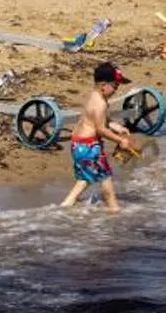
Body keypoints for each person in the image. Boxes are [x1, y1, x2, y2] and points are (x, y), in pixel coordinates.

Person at [58, 64, 139, 212]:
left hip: (78, 144)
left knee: (85, 178)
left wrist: (116, 126)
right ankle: (114, 208)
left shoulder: (94, 97)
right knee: (105, 177)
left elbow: (99, 120)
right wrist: (120, 140)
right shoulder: (101, 103)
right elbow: (100, 129)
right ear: (103, 85)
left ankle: (65, 206)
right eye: (115, 86)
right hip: (89, 147)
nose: (116, 90)